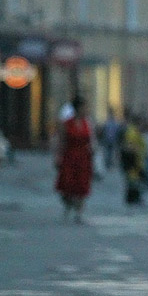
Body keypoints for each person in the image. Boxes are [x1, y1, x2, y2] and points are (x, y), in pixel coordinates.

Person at [54, 96, 95, 224]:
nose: (85, 109)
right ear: (77, 108)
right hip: (70, 155)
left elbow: (92, 140)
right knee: (68, 184)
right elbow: (61, 140)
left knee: (82, 184)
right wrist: (57, 156)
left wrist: (93, 151)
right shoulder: (67, 123)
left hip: (84, 157)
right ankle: (68, 203)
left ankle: (79, 212)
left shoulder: (87, 123)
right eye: (83, 107)